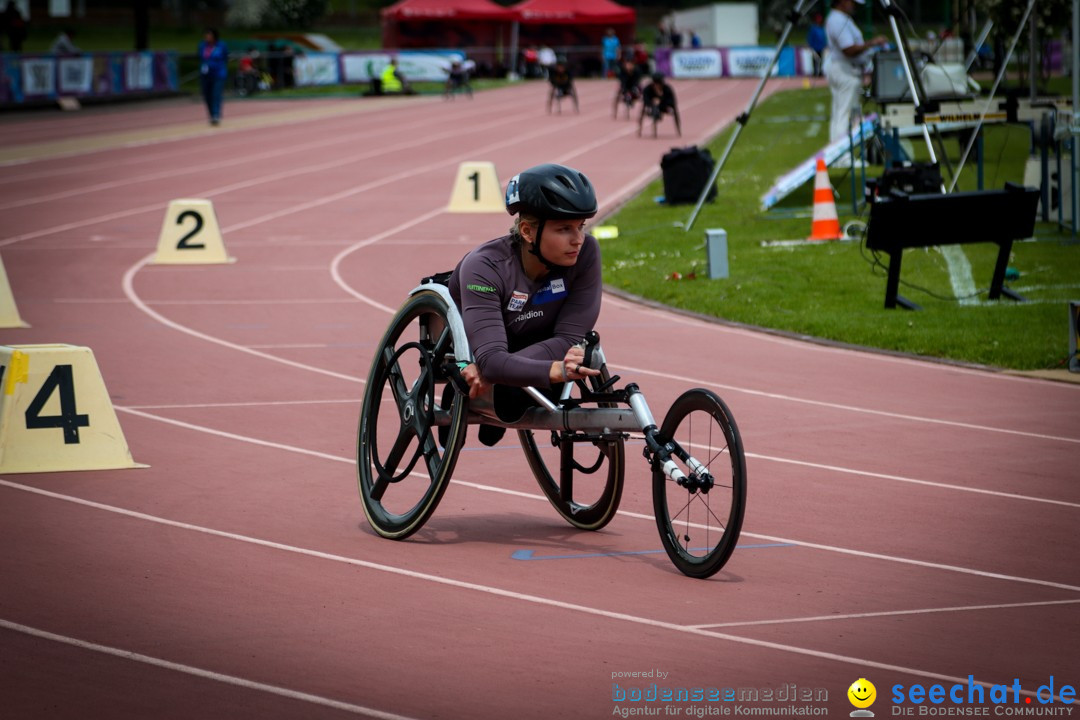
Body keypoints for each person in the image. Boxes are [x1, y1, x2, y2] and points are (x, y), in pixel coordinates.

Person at [447, 163, 603, 445]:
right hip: (481, 345)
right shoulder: (483, 266)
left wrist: (498, 369)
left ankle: (503, 396)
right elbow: (492, 358)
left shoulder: (587, 253)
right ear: (528, 232)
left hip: (527, 348)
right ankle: (475, 398)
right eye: (564, 229)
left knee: (528, 395)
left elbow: (569, 337)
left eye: (581, 227)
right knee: (522, 390)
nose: (578, 240)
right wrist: (555, 370)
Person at [823, 0, 887, 144]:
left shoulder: (841, 18)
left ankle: (841, 151)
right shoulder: (837, 20)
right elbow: (849, 49)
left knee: (845, 113)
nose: (854, 6)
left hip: (847, 68)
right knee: (844, 114)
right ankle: (842, 154)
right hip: (845, 70)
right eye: (852, 2)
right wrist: (873, 43)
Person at [198, 27, 228, 125]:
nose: (207, 37)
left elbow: (225, 57)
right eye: (206, 35)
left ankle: (216, 115)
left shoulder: (221, 45)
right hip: (205, 74)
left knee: (216, 94)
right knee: (207, 95)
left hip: (218, 74)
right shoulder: (202, 46)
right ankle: (211, 115)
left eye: (209, 35)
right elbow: (200, 57)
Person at [639, 72, 681, 138]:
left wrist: (661, 101)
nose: (657, 86)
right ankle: (651, 130)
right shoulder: (647, 89)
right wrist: (652, 103)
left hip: (664, 106)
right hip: (652, 107)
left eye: (659, 84)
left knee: (674, 110)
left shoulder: (667, 89)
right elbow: (645, 100)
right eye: (655, 84)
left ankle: (679, 130)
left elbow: (672, 101)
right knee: (651, 109)